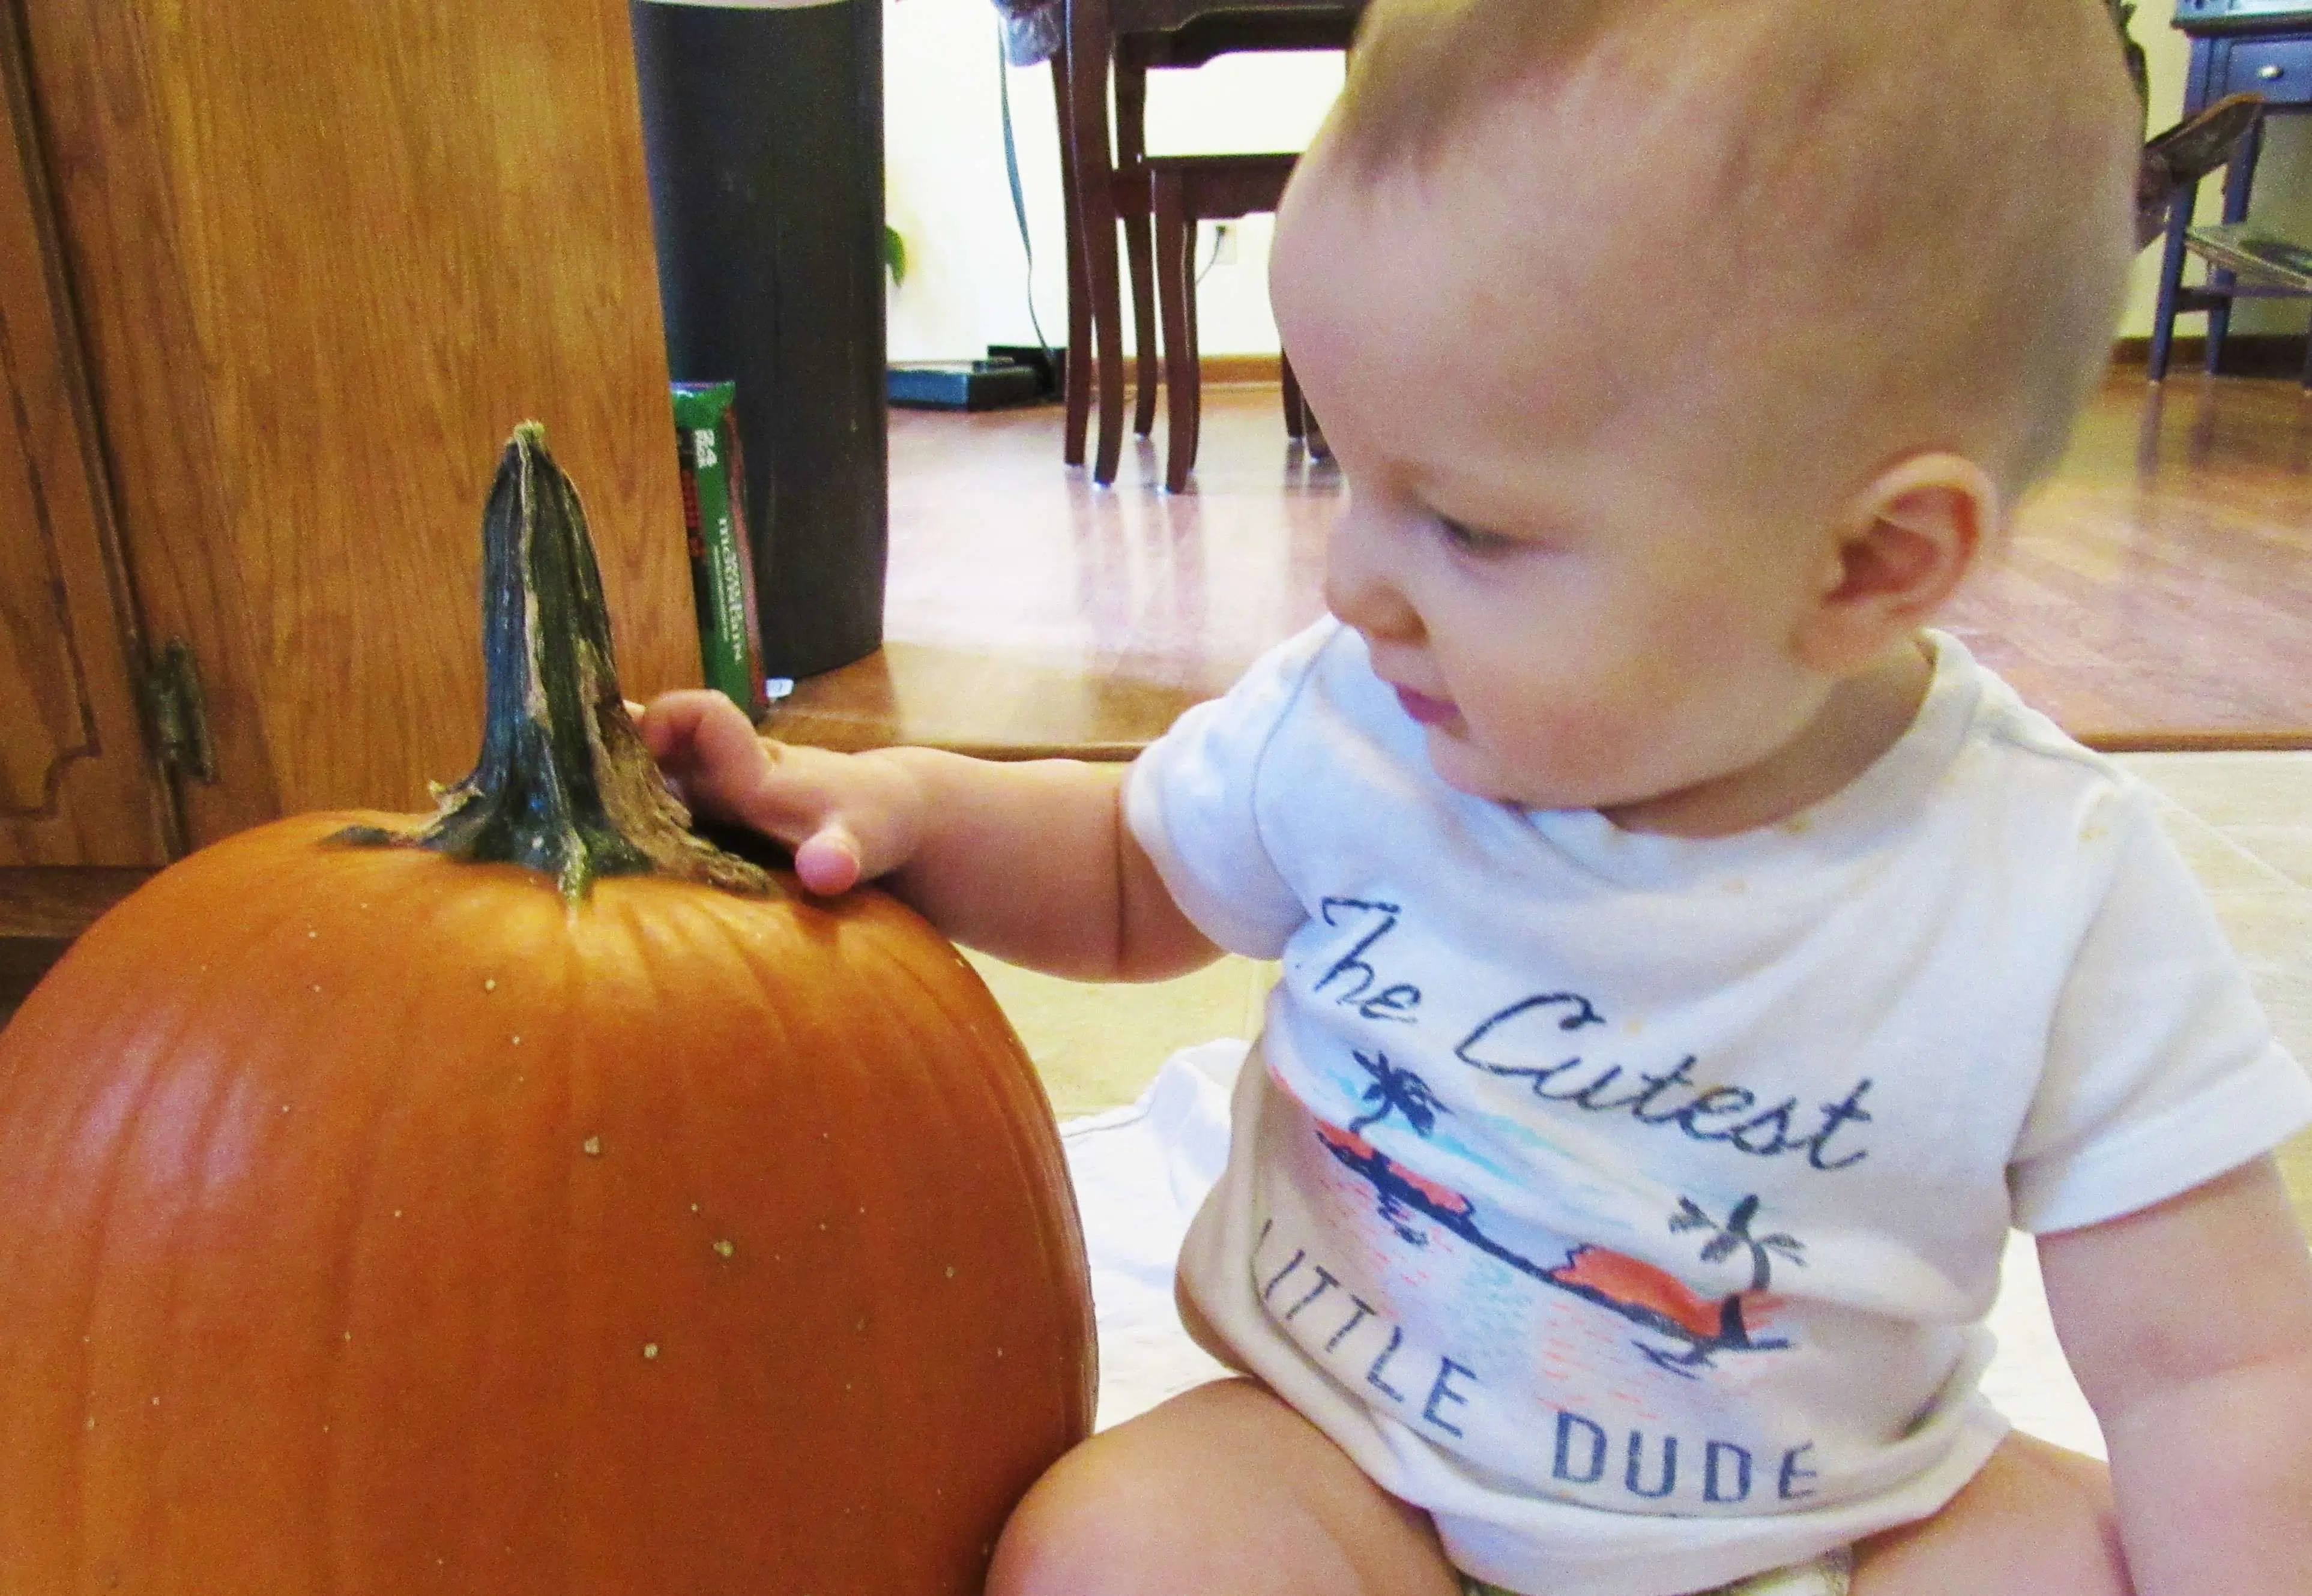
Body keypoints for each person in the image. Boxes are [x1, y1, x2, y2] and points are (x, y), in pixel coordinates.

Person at [642, 1, 2312, 1591]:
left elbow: (2214, 1372)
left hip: (1854, 1519)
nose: (1359, 582)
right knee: (1118, 1556)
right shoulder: (1355, 721)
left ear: (1872, 561)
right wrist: (922, 811)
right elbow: (1129, 879)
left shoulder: (2052, 889)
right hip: (1359, 1479)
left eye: (1472, 530)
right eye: (1354, 473)